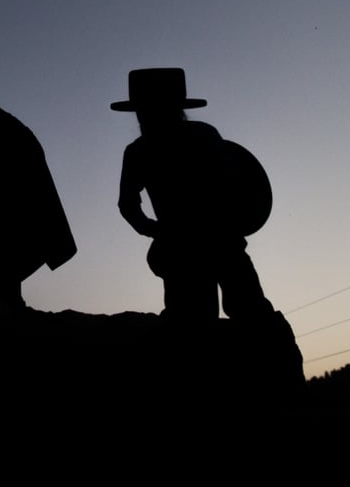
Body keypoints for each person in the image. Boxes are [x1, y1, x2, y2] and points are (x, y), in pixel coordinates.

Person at [111, 68, 274, 322]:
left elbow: (127, 205)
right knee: (248, 313)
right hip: (219, 240)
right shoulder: (204, 134)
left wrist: (156, 230)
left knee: (194, 321)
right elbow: (234, 181)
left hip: (188, 249)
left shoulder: (139, 151)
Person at [0, 96, 77, 310]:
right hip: (13, 155)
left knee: (8, 236)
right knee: (7, 237)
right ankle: (8, 298)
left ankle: (7, 301)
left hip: (12, 159)